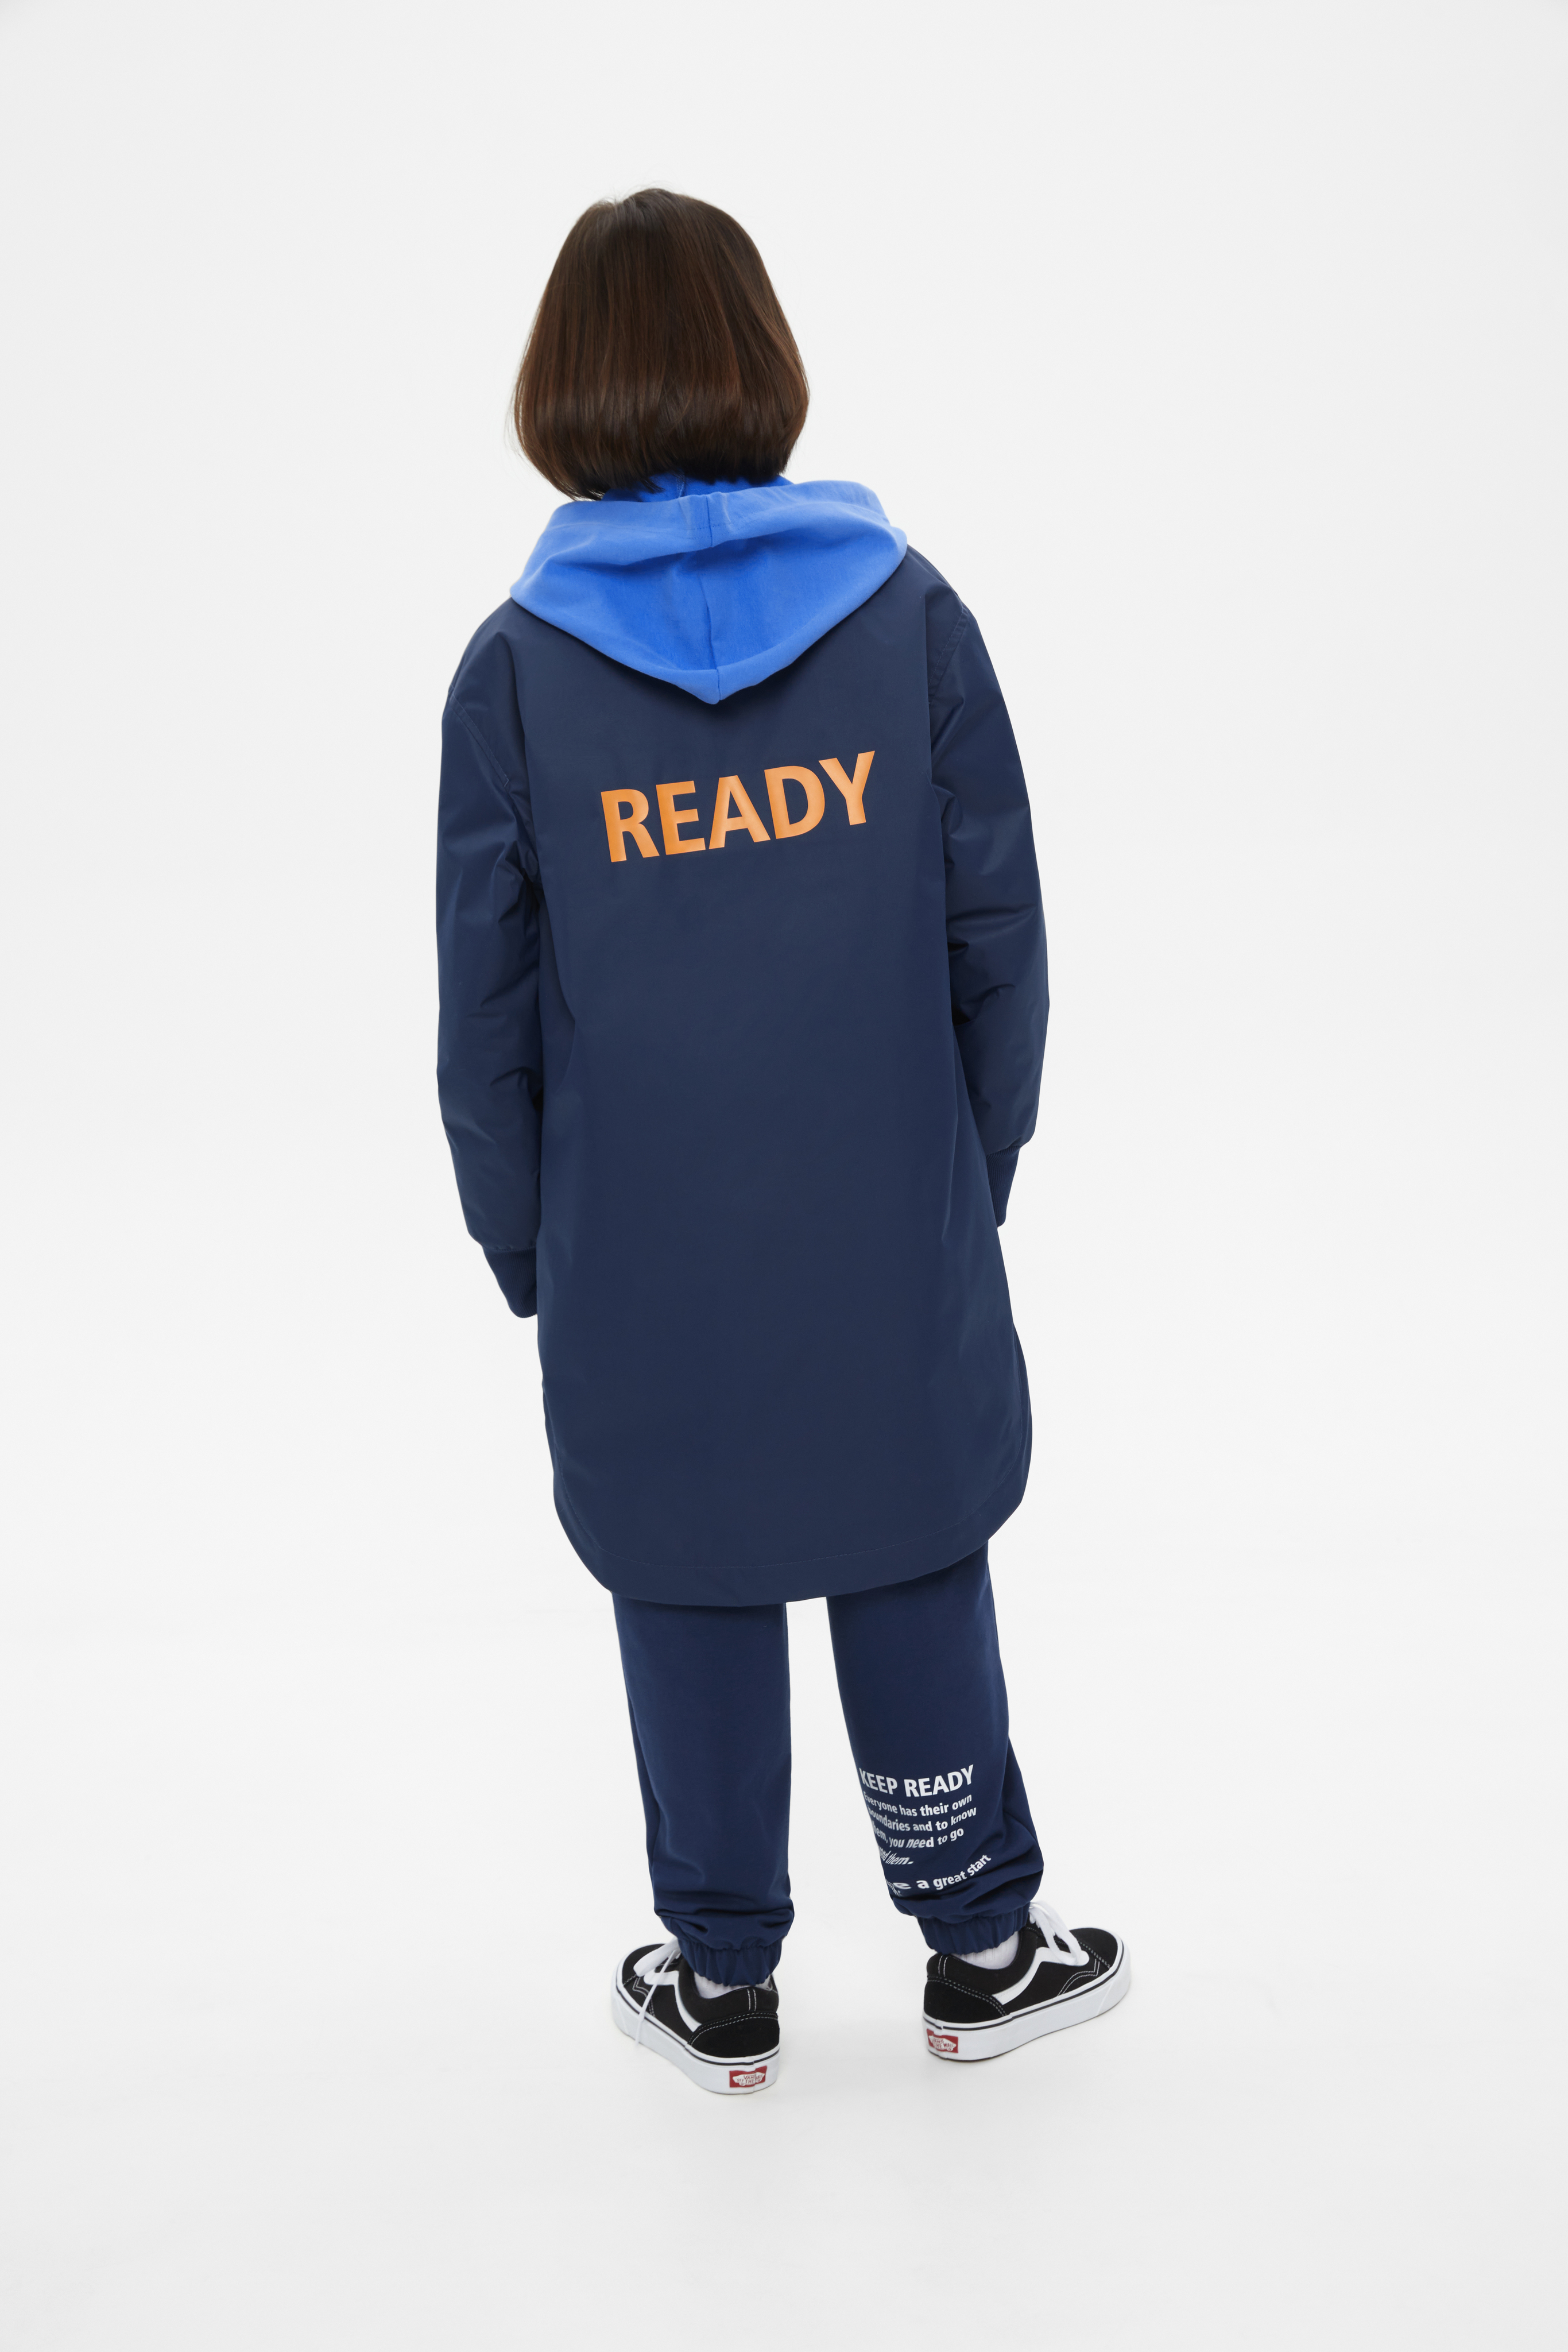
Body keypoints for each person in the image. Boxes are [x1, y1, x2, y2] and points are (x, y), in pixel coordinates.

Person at [436, 188, 1126, 2094]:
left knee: (687, 1558)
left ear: (559, 386)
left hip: (638, 1243)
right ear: (762, 361)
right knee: (909, 1535)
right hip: (885, 1214)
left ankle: (721, 1976)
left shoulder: (514, 670)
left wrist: (525, 1241)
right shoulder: (906, 618)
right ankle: (981, 1943)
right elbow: (1000, 940)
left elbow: (484, 1018)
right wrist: (964, 1177)